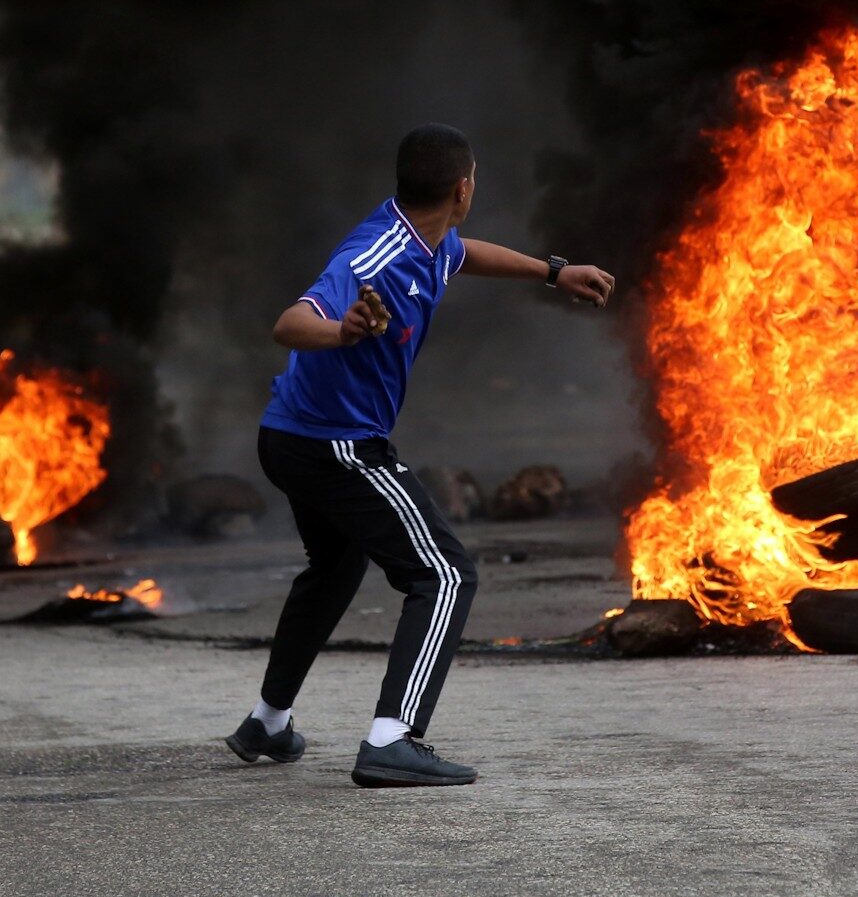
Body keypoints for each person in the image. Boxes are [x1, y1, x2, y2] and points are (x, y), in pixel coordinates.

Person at [225, 124, 616, 787]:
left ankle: (267, 722)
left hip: (295, 436)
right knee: (445, 574)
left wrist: (553, 271)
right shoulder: (375, 255)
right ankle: (392, 739)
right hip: (334, 445)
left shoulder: (427, 237)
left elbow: (465, 254)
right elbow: (289, 323)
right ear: (463, 188)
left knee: (336, 567)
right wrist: (342, 330)